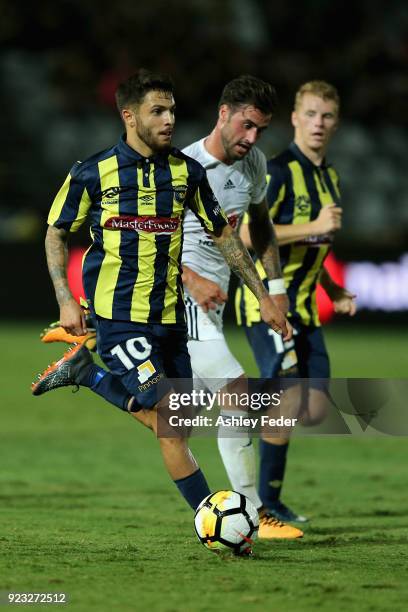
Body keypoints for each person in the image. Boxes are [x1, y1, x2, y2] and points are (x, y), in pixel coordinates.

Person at [37, 74, 302, 539]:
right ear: (130, 116)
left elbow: (224, 235)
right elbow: (57, 231)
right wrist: (65, 299)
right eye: (158, 111)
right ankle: (225, 522)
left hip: (170, 321)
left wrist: (264, 295)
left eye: (173, 111)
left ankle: (87, 374)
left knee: (176, 426)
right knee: (176, 421)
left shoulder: (185, 173)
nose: (169, 120)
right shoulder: (92, 172)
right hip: (119, 319)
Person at [235, 80, 356, 523]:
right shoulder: (280, 171)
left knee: (315, 406)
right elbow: (250, 236)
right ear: (294, 118)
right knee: (285, 400)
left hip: (306, 309)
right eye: (310, 114)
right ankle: (266, 504)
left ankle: (241, 403)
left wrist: (334, 289)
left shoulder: (331, 176)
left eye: (326, 116)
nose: (318, 123)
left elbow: (314, 246)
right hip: (267, 306)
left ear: (336, 122)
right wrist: (312, 225)